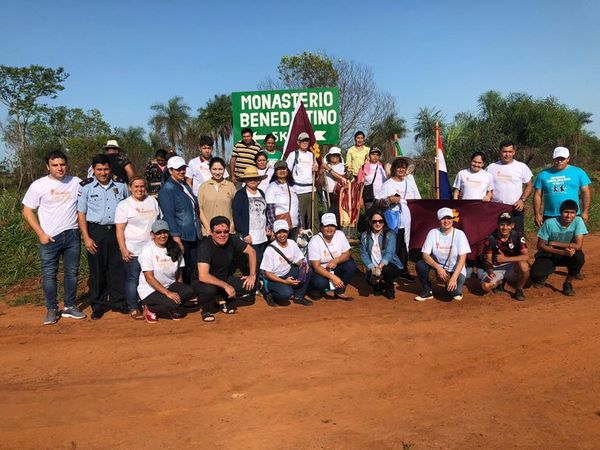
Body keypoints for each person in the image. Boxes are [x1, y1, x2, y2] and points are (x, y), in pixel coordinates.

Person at [22, 150, 85, 325]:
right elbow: (27, 211)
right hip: (50, 238)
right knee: (50, 274)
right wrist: (40, 233)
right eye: (55, 165)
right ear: (47, 166)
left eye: (62, 164)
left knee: (72, 273)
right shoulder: (38, 185)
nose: (59, 168)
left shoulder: (76, 182)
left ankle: (70, 306)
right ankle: (51, 309)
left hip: (72, 235)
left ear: (67, 165)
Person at [78, 154, 129, 319]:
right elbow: (81, 213)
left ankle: (119, 302)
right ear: (93, 170)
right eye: (99, 169)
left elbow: (128, 206)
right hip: (95, 231)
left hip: (116, 231)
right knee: (97, 270)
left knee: (117, 268)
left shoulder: (121, 186)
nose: (103, 172)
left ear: (110, 169)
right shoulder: (85, 187)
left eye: (106, 169)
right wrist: (86, 237)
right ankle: (98, 305)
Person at [193, 216, 257, 322]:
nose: (222, 235)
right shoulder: (205, 246)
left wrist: (252, 275)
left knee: (249, 285)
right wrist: (226, 286)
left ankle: (221, 299)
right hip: (203, 282)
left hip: (223, 278)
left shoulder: (232, 239)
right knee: (210, 290)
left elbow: (252, 252)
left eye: (225, 231)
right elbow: (203, 276)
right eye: (218, 232)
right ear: (211, 232)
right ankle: (206, 309)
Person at [115, 176, 160, 319]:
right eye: (136, 187)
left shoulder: (152, 201)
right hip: (132, 249)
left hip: (151, 248)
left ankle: (150, 304)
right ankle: (133, 306)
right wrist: (123, 248)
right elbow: (120, 229)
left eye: (142, 186)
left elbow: (158, 223)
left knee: (150, 277)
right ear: (130, 188)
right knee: (132, 278)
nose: (139, 189)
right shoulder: (124, 205)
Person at [137, 220, 196, 323]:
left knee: (189, 291)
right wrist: (169, 293)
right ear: (153, 235)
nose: (162, 235)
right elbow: (149, 278)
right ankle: (149, 308)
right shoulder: (147, 250)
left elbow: (178, 272)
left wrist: (179, 291)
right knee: (173, 303)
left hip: (169, 284)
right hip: (150, 289)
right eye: (159, 233)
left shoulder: (175, 248)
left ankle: (171, 306)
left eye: (165, 232)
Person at [375, 156, 421, 281]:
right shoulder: (388, 184)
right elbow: (378, 202)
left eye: (403, 167)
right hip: (392, 220)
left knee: (404, 246)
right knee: (391, 246)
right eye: (399, 167)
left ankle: (403, 270)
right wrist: (389, 200)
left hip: (406, 220)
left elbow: (417, 200)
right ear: (394, 169)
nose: (401, 169)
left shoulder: (410, 183)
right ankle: (390, 272)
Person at [157, 156, 201, 284]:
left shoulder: (184, 185)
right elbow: (169, 216)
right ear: (170, 171)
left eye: (183, 168)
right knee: (183, 267)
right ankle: (186, 294)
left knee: (193, 265)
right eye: (178, 169)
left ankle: (194, 292)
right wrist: (176, 239)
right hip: (182, 235)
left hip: (193, 233)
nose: (181, 171)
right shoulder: (167, 190)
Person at [530, 199, 587, 296]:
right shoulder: (549, 223)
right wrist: (561, 252)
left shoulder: (578, 221)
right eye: (566, 212)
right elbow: (540, 245)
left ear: (576, 213)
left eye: (572, 213)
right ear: (560, 212)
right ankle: (545, 273)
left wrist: (555, 243)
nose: (569, 216)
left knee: (579, 257)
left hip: (568, 253)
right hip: (551, 253)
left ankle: (568, 283)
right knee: (536, 273)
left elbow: (578, 245)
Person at [414, 207, 471, 302]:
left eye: (449, 218)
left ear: (453, 219)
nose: (446, 221)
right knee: (420, 265)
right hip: (439, 269)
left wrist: (453, 279)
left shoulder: (460, 234)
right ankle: (428, 291)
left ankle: (452, 286)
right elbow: (425, 254)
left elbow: (462, 258)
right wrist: (438, 268)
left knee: (454, 294)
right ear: (438, 220)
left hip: (455, 270)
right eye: (443, 218)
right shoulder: (433, 233)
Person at [533, 146, 591, 227]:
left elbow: (586, 192)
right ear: (553, 159)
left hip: (572, 214)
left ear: (568, 159)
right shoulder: (543, 174)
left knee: (574, 239)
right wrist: (537, 214)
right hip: (550, 215)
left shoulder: (579, 172)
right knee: (550, 239)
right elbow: (537, 195)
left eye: (562, 159)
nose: (559, 161)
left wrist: (585, 212)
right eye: (557, 158)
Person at [260, 220, 313, 306]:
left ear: (288, 232)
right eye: (279, 232)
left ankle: (299, 296)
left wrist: (303, 264)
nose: (282, 235)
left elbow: (299, 259)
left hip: (288, 272)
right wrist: (285, 282)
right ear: (274, 233)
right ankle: (270, 293)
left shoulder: (292, 243)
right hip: (274, 278)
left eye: (284, 232)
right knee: (286, 294)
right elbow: (268, 273)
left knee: (308, 270)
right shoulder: (269, 250)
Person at [479, 212, 529, 301]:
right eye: (502, 224)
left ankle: (519, 289)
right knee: (485, 287)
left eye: (508, 225)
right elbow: (488, 259)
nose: (505, 228)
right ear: (498, 225)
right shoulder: (491, 238)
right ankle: (500, 281)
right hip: (496, 268)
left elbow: (526, 256)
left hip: (512, 267)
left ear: (512, 225)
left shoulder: (518, 236)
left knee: (524, 266)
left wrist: (506, 259)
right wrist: (490, 271)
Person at [307, 213, 357, 300]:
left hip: (334, 267)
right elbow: (316, 267)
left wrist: (335, 261)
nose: (329, 228)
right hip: (319, 270)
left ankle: (339, 291)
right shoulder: (314, 241)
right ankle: (312, 288)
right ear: (321, 228)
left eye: (332, 225)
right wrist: (333, 277)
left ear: (336, 227)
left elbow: (347, 254)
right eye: (326, 226)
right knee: (321, 284)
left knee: (351, 265)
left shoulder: (340, 234)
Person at [486, 141, 533, 233]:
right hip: (496, 208)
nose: (507, 154)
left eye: (510, 151)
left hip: (515, 208)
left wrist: (522, 200)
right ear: (499, 152)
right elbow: (484, 185)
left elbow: (529, 185)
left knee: (517, 235)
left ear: (514, 152)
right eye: (504, 151)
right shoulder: (491, 167)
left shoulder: (521, 166)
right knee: (496, 236)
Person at [232, 165, 269, 276]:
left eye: (255, 178)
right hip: (250, 235)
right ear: (245, 180)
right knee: (252, 262)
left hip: (262, 234)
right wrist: (245, 233)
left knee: (261, 261)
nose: (253, 181)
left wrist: (267, 227)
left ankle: (259, 285)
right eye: (249, 178)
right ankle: (252, 286)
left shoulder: (261, 193)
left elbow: (264, 212)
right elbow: (236, 215)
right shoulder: (241, 194)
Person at [359, 210, 405, 299]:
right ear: (370, 222)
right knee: (369, 279)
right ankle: (379, 285)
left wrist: (380, 267)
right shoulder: (364, 236)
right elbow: (363, 254)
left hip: (390, 266)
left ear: (384, 222)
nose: (378, 224)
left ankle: (389, 289)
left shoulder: (390, 234)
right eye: (374, 221)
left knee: (386, 270)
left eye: (380, 221)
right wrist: (372, 268)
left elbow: (389, 253)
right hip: (374, 266)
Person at [286, 132, 318, 230]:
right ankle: (300, 239)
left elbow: (315, 173)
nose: (305, 143)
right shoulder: (293, 155)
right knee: (300, 218)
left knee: (314, 217)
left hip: (312, 189)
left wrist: (315, 170)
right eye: (302, 141)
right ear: (298, 142)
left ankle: (315, 239)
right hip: (298, 190)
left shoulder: (312, 155)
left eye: (306, 141)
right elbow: (287, 171)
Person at [198, 157, 237, 236]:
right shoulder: (203, 187)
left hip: (226, 232)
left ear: (224, 169)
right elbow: (199, 209)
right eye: (214, 169)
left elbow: (237, 209)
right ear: (210, 170)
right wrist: (208, 228)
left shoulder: (231, 186)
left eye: (220, 169)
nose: (217, 172)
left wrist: (232, 225)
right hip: (208, 232)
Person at [265, 160, 302, 240]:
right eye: (279, 169)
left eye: (284, 169)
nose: (282, 171)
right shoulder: (272, 187)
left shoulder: (292, 186)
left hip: (294, 226)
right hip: (280, 227)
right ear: (275, 172)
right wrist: (272, 228)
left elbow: (297, 208)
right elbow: (270, 210)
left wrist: (300, 226)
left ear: (287, 171)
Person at [357, 147, 387, 211]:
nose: (375, 156)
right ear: (369, 155)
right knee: (370, 217)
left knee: (382, 218)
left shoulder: (384, 167)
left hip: (382, 197)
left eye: (377, 155)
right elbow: (360, 184)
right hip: (370, 198)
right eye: (373, 154)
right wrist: (360, 198)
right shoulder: (363, 167)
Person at [321, 146, 347, 220]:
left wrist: (329, 169)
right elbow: (320, 182)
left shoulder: (343, 166)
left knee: (338, 213)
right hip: (327, 192)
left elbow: (340, 177)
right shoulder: (325, 166)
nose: (334, 157)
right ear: (329, 156)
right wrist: (321, 172)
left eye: (336, 155)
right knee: (328, 213)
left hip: (339, 193)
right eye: (333, 155)